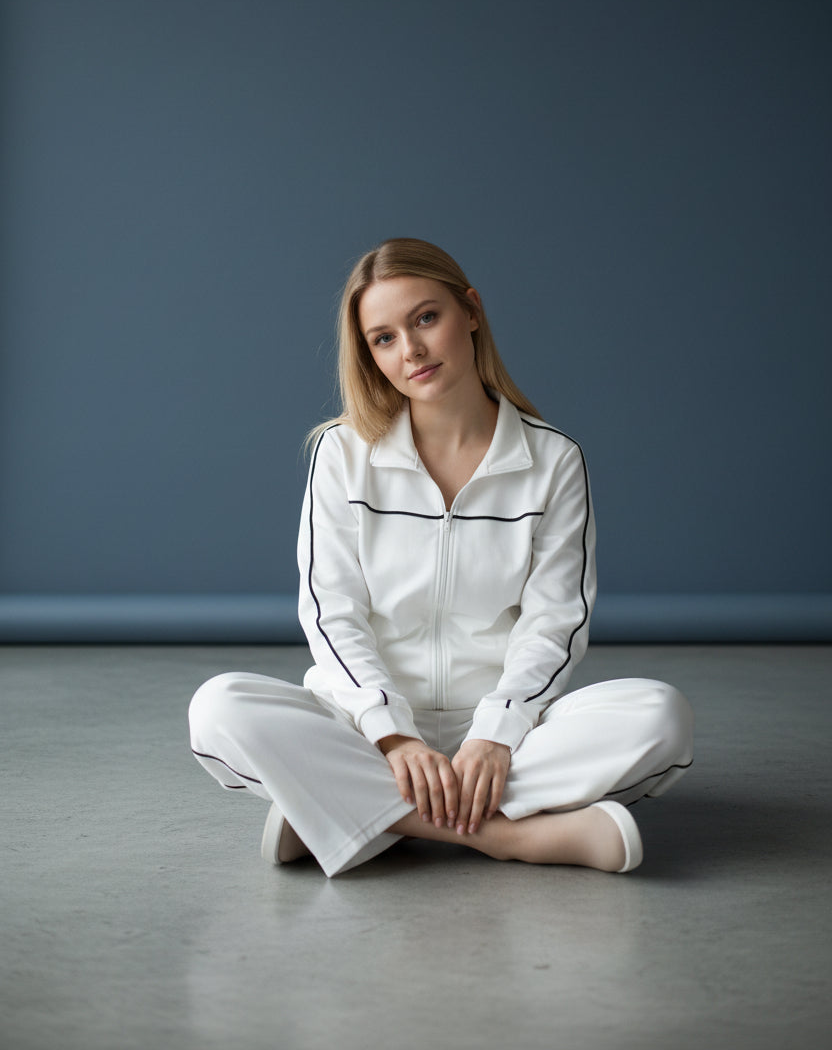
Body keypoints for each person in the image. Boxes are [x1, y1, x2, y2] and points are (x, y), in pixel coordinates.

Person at [189, 238, 694, 877]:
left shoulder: (554, 461)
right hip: (366, 728)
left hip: (506, 736)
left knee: (661, 716)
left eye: (426, 318)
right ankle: (506, 837)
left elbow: (555, 622)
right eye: (384, 338)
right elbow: (330, 613)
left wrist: (497, 732)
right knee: (218, 708)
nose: (412, 351)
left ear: (471, 312)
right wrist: (392, 734)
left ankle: (344, 811)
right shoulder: (341, 454)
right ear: (368, 355)